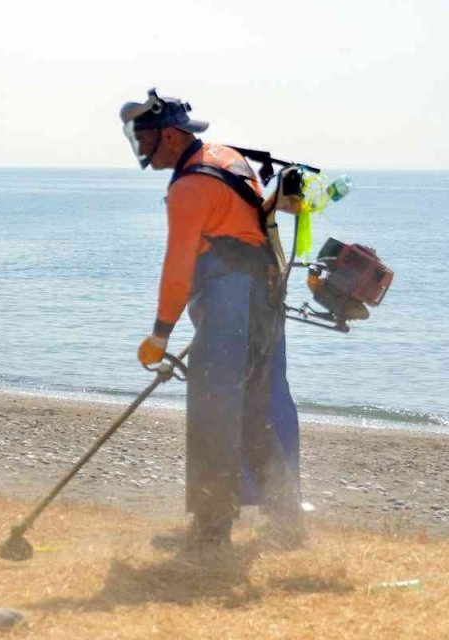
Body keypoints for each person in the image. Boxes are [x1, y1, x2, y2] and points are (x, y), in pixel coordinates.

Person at [118, 89, 304, 550]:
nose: (140, 148)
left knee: (213, 413)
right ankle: (286, 523)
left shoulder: (188, 188)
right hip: (263, 301)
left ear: (172, 135)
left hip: (233, 304)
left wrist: (160, 334)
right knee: (252, 416)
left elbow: (178, 267)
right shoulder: (225, 157)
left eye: (144, 137)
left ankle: (210, 530)